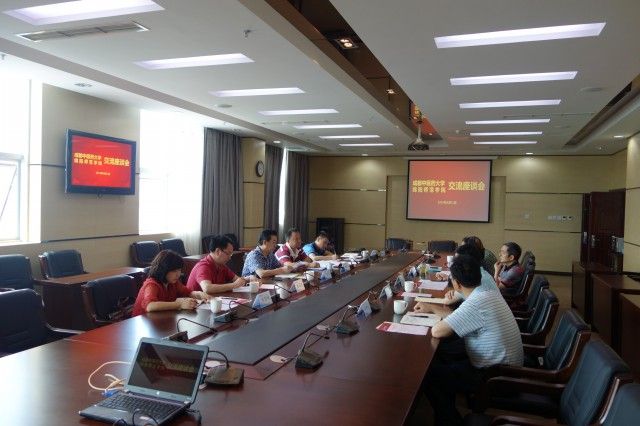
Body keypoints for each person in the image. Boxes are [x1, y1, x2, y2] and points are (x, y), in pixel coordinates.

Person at [416, 255, 523, 426]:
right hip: (505, 367)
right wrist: (430, 308)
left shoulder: (476, 303)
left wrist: (432, 311)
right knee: (442, 355)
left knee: (429, 375)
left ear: (456, 283)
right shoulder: (485, 292)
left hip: (496, 377)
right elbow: (459, 317)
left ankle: (451, 422)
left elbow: (438, 331)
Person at [132, 250, 210, 316]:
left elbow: (187, 292)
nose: (178, 274)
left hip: (161, 318)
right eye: (174, 271)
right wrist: (180, 304)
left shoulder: (172, 282)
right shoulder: (151, 284)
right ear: (163, 269)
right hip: (143, 322)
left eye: (179, 270)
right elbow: (150, 306)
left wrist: (199, 294)